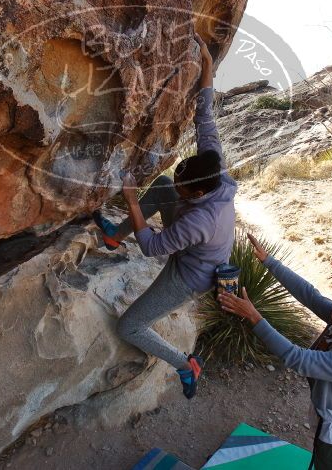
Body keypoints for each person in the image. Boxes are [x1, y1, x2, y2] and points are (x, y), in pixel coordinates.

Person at [92, 33, 236, 399]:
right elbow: (205, 114)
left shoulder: (201, 221)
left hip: (190, 275)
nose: (182, 185)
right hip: (195, 242)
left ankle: (185, 364)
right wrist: (207, 64)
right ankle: (112, 237)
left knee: (130, 326)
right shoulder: (211, 166)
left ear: (200, 193)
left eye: (186, 188)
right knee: (161, 184)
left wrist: (132, 202)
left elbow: (153, 247)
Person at [217, 233, 332, 470]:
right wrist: (269, 261)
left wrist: (253, 316)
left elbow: (295, 358)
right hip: (330, 428)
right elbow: (309, 295)